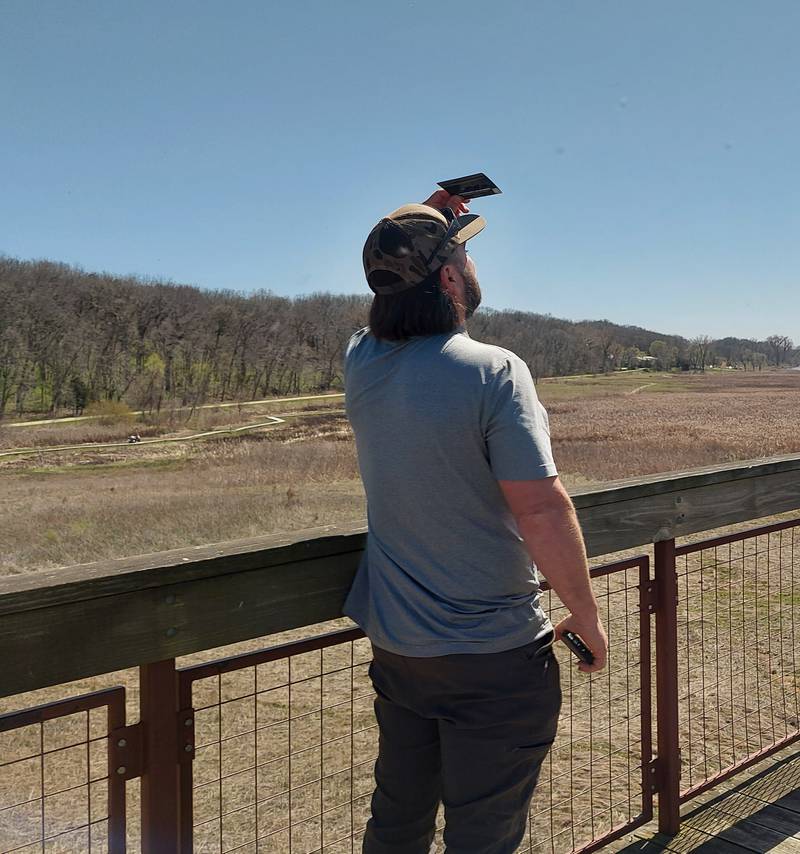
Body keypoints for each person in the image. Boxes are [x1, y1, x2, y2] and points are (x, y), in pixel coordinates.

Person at [342, 189, 608, 854]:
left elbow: (384, 303)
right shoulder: (495, 371)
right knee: (483, 835)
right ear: (451, 277)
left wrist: (423, 217)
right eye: (462, 250)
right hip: (492, 656)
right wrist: (585, 613)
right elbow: (542, 507)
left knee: (397, 820)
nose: (470, 259)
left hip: (401, 651)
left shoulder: (362, 364)